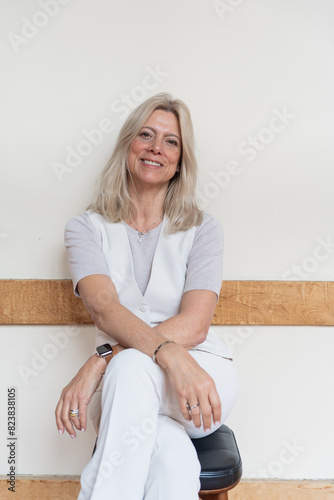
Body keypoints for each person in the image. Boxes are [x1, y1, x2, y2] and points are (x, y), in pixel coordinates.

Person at [55, 92, 239, 500]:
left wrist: (102, 359)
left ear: (180, 159)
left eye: (171, 141)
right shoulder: (85, 228)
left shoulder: (204, 229)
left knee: (128, 371)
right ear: (127, 146)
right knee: (171, 459)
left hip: (201, 379)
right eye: (146, 135)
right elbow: (104, 308)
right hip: (130, 388)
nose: (157, 147)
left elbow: (195, 323)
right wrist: (164, 353)